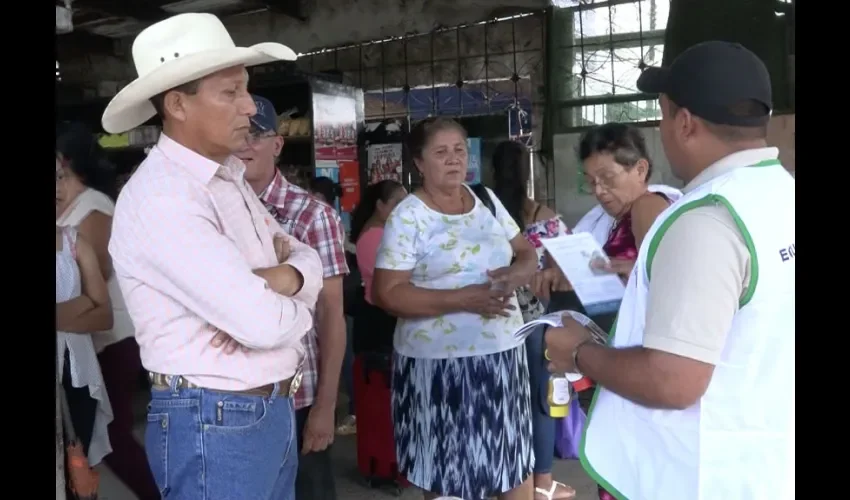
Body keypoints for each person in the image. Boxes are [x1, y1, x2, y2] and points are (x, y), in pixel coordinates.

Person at [543, 41, 795, 500]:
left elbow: (671, 380)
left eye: (661, 115)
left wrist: (578, 352)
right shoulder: (781, 195)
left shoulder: (707, 220)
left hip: (699, 476)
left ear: (684, 123)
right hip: (768, 465)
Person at [103, 13, 323, 500]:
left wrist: (282, 277)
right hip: (215, 418)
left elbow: (311, 261)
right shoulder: (165, 196)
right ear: (178, 104)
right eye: (230, 92)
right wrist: (293, 293)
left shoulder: (226, 179)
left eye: (245, 89)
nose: (250, 106)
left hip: (253, 412)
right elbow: (262, 323)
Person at [373, 117, 539, 500]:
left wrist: (516, 275)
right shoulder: (409, 216)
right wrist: (465, 298)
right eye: (441, 152)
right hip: (440, 369)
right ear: (419, 163)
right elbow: (388, 293)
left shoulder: (486, 199)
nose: (453, 159)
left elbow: (526, 251)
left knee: (512, 465)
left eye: (459, 150)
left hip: (503, 358)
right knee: (453, 478)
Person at [237, 94, 349, 500]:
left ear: (277, 145)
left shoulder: (311, 215)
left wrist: (326, 405)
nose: (245, 144)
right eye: (238, 134)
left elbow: (332, 314)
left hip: (297, 394)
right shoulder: (213, 208)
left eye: (256, 135)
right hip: (234, 392)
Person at [55, 122, 160, 500]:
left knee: (104, 435)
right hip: (80, 341)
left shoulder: (94, 207)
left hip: (109, 340)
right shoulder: (69, 207)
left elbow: (97, 276)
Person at [490, 140, 574, 500]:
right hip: (536, 322)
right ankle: (541, 484)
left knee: (501, 399)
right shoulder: (542, 215)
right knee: (540, 401)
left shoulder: (485, 212)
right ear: (527, 172)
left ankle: (503, 476)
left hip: (493, 318)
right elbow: (569, 268)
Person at [57, 155, 115, 495]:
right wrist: (81, 304)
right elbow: (93, 305)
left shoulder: (75, 242)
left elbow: (104, 316)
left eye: (58, 176)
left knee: (78, 474)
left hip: (77, 376)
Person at [338, 179, 407, 434]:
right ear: (380, 206)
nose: (403, 209)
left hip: (379, 316)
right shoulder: (377, 235)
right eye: (397, 203)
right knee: (382, 392)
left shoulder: (379, 231)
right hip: (379, 319)